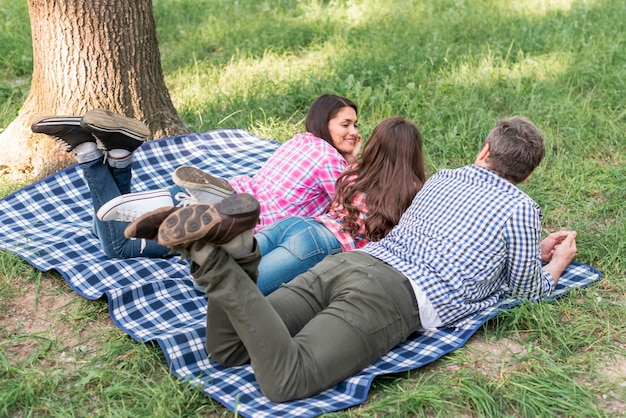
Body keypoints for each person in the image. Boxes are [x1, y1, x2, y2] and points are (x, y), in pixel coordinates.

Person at [121, 116, 581, 403]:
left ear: (484, 150)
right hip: (389, 298)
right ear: (528, 173)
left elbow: (457, 240)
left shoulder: (444, 178)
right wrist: (557, 262)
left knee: (226, 349)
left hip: (347, 263)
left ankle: (241, 251)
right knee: (287, 381)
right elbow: (527, 290)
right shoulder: (521, 209)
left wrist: (528, 251)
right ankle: (219, 261)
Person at [30, 94, 361, 260]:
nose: (354, 132)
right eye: (345, 124)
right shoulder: (330, 161)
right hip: (236, 224)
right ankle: (90, 153)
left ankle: (116, 154)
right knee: (117, 246)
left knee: (105, 226)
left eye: (355, 125)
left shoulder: (301, 142)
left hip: (226, 190)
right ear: (324, 122)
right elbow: (356, 206)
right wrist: (352, 162)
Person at [253, 116, 426, 294]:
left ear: (374, 145)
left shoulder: (356, 170)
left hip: (296, 224)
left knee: (229, 268)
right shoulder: (411, 190)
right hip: (319, 244)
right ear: (413, 152)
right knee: (246, 290)